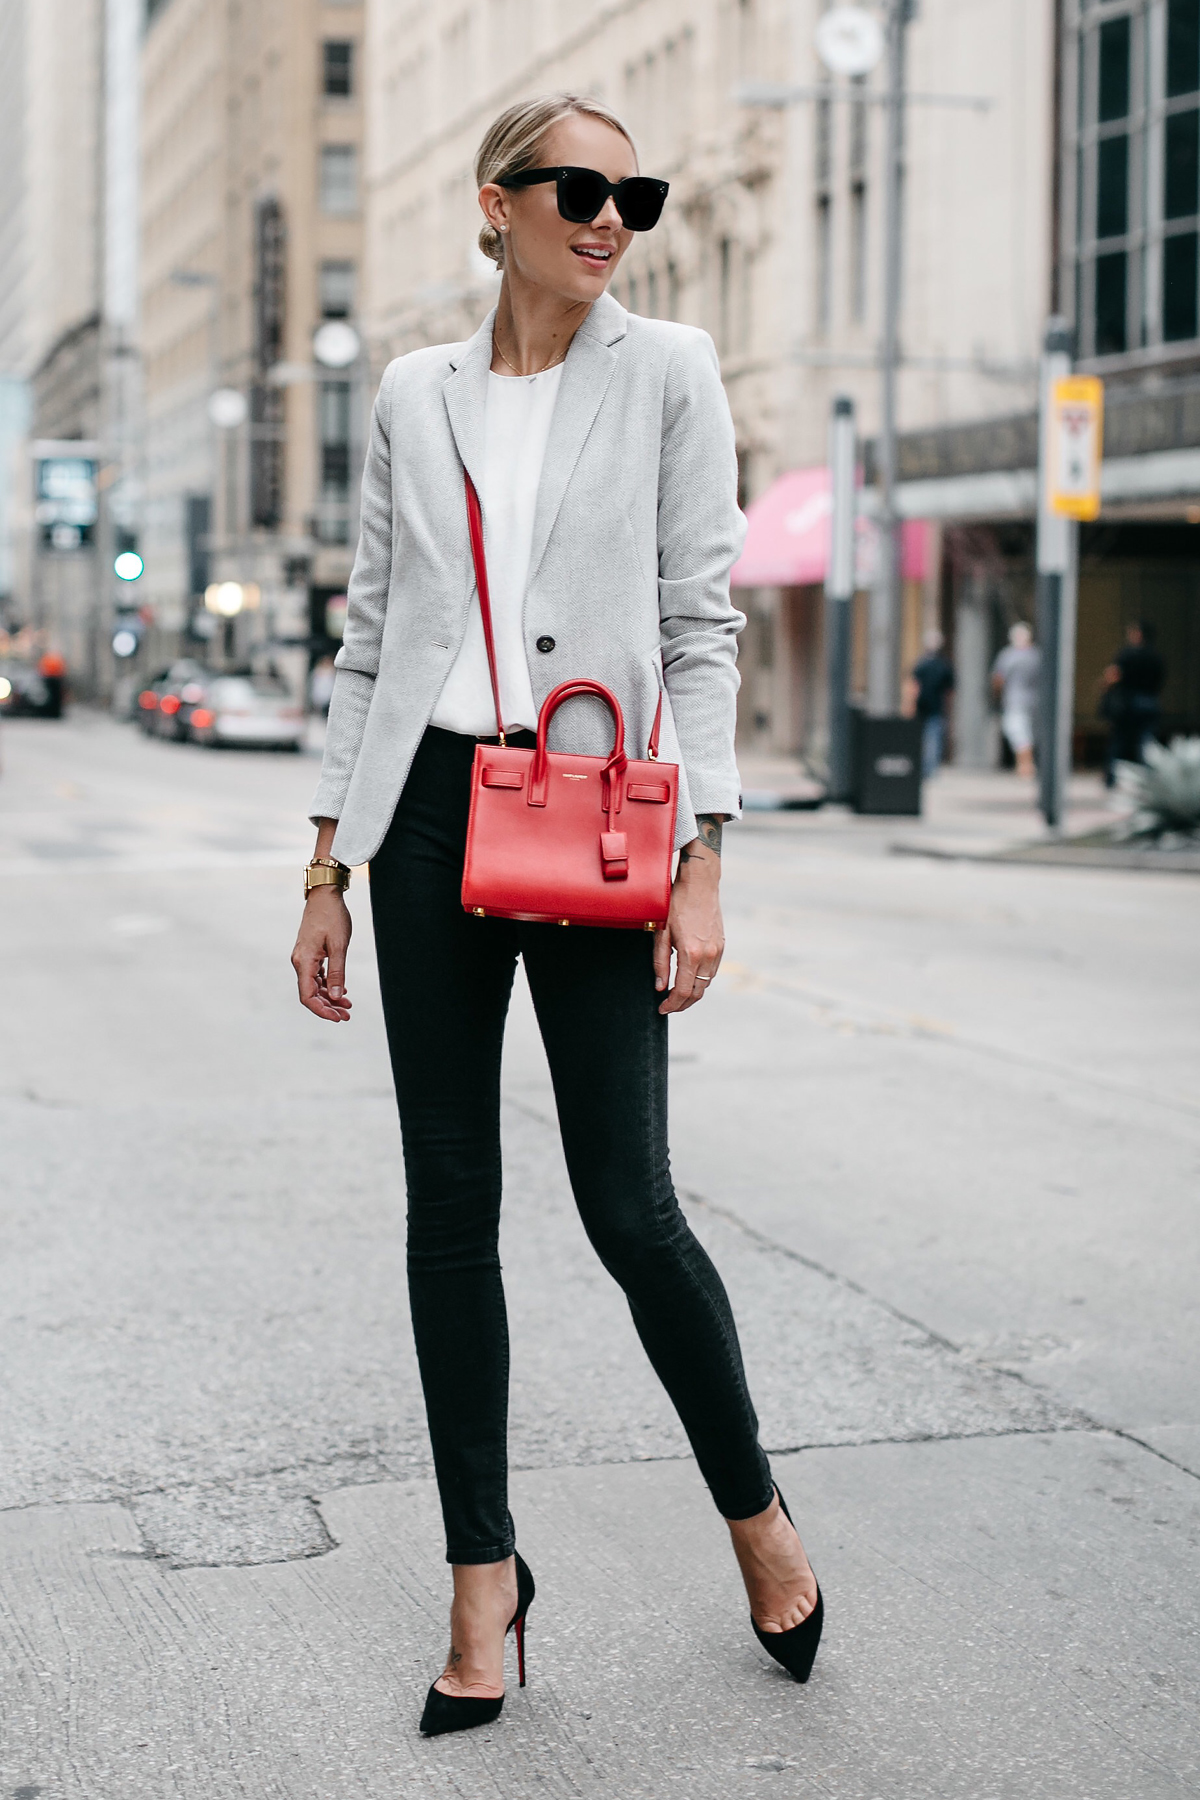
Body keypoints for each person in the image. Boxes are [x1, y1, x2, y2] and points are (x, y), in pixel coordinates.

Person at [290, 93, 822, 1737]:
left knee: (627, 1208)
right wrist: (328, 861)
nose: (611, 216)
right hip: (437, 815)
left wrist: (707, 858)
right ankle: (481, 1583)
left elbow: (698, 624)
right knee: (449, 1206)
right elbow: (373, 634)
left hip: (599, 815)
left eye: (632, 194)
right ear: (496, 204)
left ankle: (755, 1516)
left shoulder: (666, 372)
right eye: (580, 189)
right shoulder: (410, 394)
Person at [1100, 620, 1165, 786]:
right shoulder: (1156, 656)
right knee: (1146, 743)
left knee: (1119, 741)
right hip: (1150, 702)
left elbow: (1113, 675)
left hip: (1129, 703)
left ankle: (1112, 778)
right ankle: (1148, 780)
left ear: (1138, 634)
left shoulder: (1127, 654)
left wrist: (1104, 687)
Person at [991, 621, 1041, 778]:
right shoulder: (1037, 655)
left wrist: (997, 695)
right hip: (1035, 700)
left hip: (1015, 700)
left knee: (1017, 732)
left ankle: (1025, 765)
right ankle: (1027, 763)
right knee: (1029, 733)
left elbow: (998, 679)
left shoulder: (1008, 655)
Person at [910, 628, 955, 775]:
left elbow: (913, 686)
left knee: (929, 738)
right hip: (933, 706)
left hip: (927, 706)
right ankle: (929, 768)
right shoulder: (941, 664)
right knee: (933, 739)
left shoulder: (925, 663)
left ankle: (927, 768)